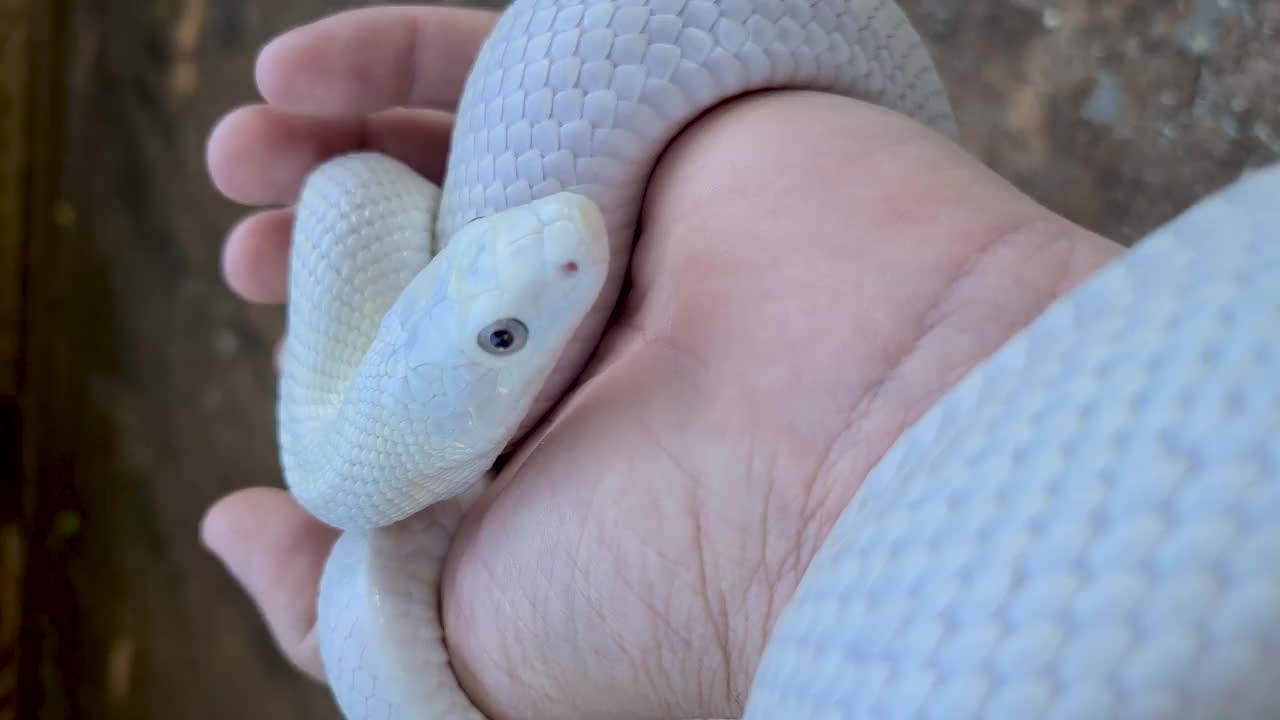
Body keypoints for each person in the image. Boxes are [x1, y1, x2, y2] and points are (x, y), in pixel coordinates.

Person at [201, 6, 1126, 718]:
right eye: (504, 340)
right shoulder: (367, 472)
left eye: (465, 257)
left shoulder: (376, 284)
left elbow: (364, 194)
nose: (564, 230)